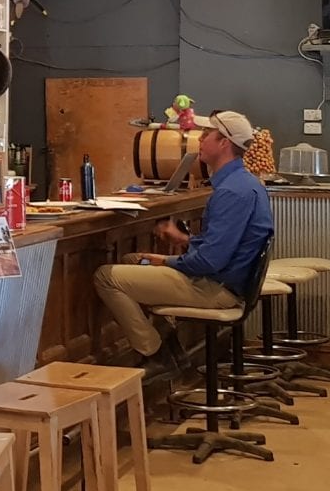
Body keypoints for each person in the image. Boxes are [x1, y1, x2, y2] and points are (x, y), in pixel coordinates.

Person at [93, 109, 275, 369]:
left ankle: (156, 355)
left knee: (105, 276)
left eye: (207, 134)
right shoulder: (245, 183)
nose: (199, 139)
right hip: (224, 281)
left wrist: (165, 261)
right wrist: (185, 240)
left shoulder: (231, 192)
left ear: (224, 143)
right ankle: (169, 341)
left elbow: (209, 262)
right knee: (133, 260)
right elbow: (223, 245)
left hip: (216, 289)